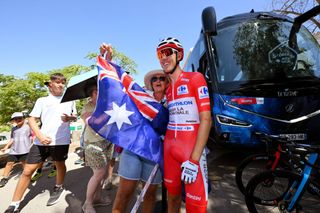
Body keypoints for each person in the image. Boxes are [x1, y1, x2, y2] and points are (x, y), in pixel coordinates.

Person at [99, 43, 166, 213]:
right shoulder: (139, 96)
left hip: (155, 153)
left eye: (162, 78)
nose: (158, 81)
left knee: (150, 195)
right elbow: (119, 87)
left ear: (167, 82)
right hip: (133, 150)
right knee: (124, 193)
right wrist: (109, 61)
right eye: (154, 79)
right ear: (150, 83)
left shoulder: (172, 101)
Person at [4, 73, 77, 213]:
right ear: (50, 84)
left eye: (63, 82)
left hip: (61, 140)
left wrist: (71, 118)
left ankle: (58, 186)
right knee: (27, 171)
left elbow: (74, 116)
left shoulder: (70, 100)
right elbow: (31, 119)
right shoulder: (42, 100)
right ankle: (14, 204)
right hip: (41, 141)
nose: (61, 84)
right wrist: (40, 136)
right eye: (57, 82)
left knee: (59, 165)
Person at [156, 37, 212, 213]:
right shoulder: (168, 89)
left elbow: (206, 120)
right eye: (159, 54)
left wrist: (194, 160)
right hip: (169, 150)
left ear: (179, 55)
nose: (163, 58)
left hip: (191, 151)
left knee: (195, 207)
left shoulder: (195, 78)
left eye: (167, 52)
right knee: (171, 198)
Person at [81, 84, 113, 213]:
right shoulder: (87, 107)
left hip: (106, 142)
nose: (100, 95)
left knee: (100, 173)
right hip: (93, 144)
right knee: (99, 173)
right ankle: (87, 204)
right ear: (91, 94)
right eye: (96, 92)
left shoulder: (106, 105)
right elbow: (93, 123)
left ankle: (97, 198)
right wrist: (109, 112)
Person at [0, 112, 32, 188]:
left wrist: (32, 146)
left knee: (24, 164)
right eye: (15, 119)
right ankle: (4, 178)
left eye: (19, 118)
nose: (18, 120)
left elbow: (34, 136)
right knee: (9, 164)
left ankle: (27, 177)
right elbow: (12, 139)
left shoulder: (28, 127)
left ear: (23, 118)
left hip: (25, 150)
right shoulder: (14, 129)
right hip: (14, 150)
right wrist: (6, 147)